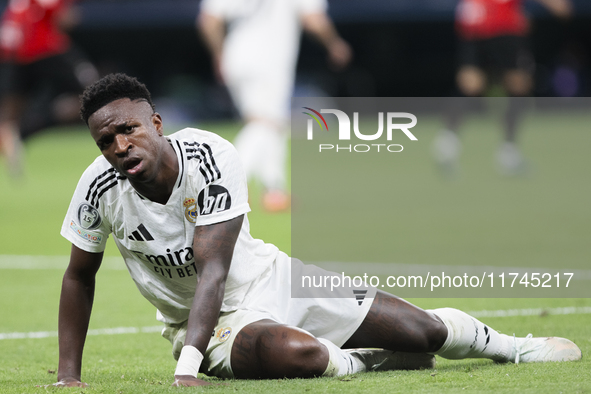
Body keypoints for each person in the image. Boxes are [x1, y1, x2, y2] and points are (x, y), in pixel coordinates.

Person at [55, 74, 581, 388]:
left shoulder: (211, 156)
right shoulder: (98, 189)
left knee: (424, 332)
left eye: (129, 129)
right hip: (214, 328)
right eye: (106, 141)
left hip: (275, 279)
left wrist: (187, 370)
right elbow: (79, 276)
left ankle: (515, 346)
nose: (121, 146)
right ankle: (362, 363)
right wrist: (68, 376)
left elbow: (213, 265)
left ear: (156, 123)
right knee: (296, 353)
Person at [198, 0, 352, 212]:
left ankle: (273, 190)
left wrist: (219, 54)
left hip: (236, 57)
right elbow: (314, 19)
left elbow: (208, 21)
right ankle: (226, 184)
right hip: (270, 61)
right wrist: (334, 43)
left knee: (270, 123)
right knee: (266, 124)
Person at [433, 0, 571, 175]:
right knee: (471, 84)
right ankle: (448, 143)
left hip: (504, 25)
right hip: (479, 22)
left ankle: (508, 151)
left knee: (518, 85)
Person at [0, 0, 97, 176]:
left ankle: (14, 141)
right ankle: (48, 117)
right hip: (46, 48)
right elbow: (67, 17)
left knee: (10, 114)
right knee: (94, 94)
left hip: (13, 55)